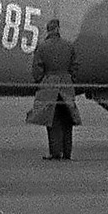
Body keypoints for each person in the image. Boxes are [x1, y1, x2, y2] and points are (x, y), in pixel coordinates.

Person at [27, 18, 81, 160]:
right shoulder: (69, 46)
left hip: (49, 85)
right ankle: (67, 152)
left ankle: (55, 152)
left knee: (53, 121)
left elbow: (37, 69)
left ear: (48, 29)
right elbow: (75, 66)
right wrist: (70, 80)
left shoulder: (42, 47)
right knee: (67, 120)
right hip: (66, 84)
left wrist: (41, 81)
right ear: (58, 29)